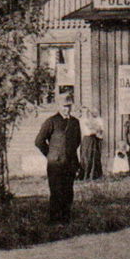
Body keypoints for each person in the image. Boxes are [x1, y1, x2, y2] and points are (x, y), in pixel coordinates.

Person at [34, 93, 82, 223]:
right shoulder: (51, 121)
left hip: (70, 163)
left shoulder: (75, 122)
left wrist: (75, 162)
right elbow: (39, 141)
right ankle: (54, 222)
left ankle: (66, 220)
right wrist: (50, 155)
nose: (67, 109)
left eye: (69, 106)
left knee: (68, 192)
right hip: (56, 164)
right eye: (64, 106)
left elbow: (76, 142)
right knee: (56, 192)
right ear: (59, 106)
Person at [78, 106, 105, 180]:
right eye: (84, 112)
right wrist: (94, 131)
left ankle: (93, 175)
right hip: (86, 139)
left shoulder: (92, 120)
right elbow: (87, 132)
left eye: (87, 112)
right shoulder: (81, 121)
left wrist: (96, 130)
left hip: (93, 140)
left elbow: (99, 130)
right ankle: (85, 175)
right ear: (81, 113)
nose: (86, 113)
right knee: (86, 157)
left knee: (93, 157)